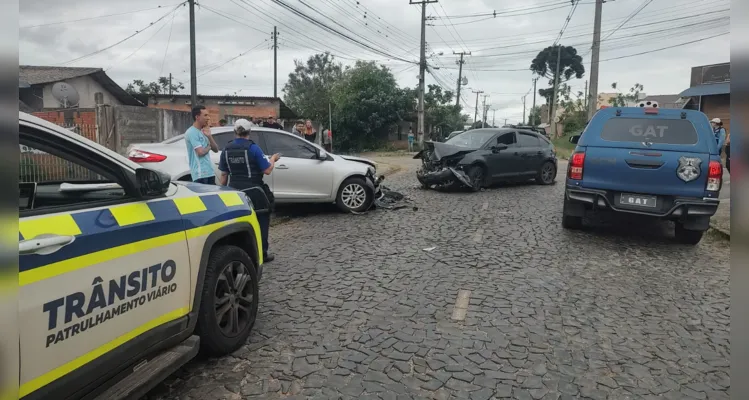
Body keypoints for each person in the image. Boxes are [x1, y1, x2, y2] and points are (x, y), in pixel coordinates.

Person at [218, 119, 281, 262]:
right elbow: (267, 170)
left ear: (235, 132)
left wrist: (222, 192)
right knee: (261, 220)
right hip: (254, 190)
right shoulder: (253, 149)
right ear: (249, 132)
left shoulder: (226, 150)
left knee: (237, 222)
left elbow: (223, 175)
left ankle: (240, 253)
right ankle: (262, 253)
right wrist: (273, 159)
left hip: (234, 191)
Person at [185, 105, 219, 184]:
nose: (208, 118)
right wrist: (209, 147)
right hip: (200, 174)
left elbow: (216, 149)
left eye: (208, 115)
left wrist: (209, 136)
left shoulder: (204, 131)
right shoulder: (191, 132)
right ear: (197, 117)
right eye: (205, 115)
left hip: (210, 172)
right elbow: (200, 152)